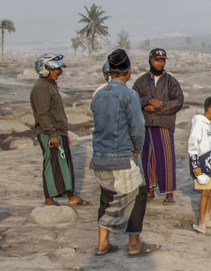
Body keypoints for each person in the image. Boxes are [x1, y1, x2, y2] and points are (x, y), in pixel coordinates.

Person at [90, 49, 154, 257]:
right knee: (138, 194)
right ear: (127, 72)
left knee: (107, 197)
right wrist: (137, 150)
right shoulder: (129, 95)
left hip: (99, 157)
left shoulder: (98, 94)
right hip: (121, 157)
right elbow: (137, 127)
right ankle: (134, 243)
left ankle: (102, 244)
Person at [30, 53, 87, 207]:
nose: (57, 72)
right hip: (49, 133)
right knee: (51, 164)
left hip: (58, 132)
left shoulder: (50, 85)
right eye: (53, 69)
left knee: (64, 164)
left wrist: (63, 133)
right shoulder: (41, 87)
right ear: (44, 69)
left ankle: (71, 196)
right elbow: (43, 114)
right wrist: (53, 135)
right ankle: (49, 199)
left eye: (58, 69)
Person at [132, 48, 185, 204]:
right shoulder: (141, 81)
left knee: (166, 158)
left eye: (162, 60)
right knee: (148, 158)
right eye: (157, 60)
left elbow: (179, 101)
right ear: (150, 60)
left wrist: (159, 106)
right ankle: (150, 191)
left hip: (164, 124)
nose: (160, 63)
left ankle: (169, 194)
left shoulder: (171, 81)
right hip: (146, 124)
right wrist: (148, 101)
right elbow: (133, 99)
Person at [188, 96, 211, 234]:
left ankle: (207, 219)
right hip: (203, 162)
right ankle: (201, 222)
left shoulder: (208, 123)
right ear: (210, 109)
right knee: (205, 192)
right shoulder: (199, 122)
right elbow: (193, 143)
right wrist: (195, 164)